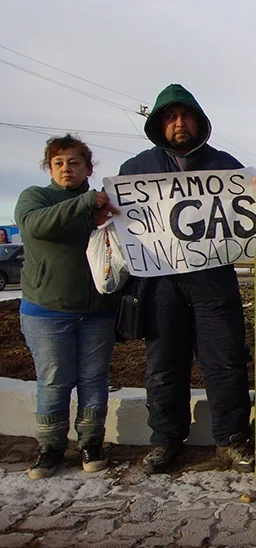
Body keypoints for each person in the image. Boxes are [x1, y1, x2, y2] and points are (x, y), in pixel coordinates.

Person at [119, 84, 256, 474]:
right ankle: (166, 440)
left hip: (213, 280)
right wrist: (106, 209)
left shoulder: (225, 165)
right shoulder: (136, 170)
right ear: (158, 124)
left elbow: (251, 216)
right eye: (171, 117)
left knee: (225, 361)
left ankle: (232, 437)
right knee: (163, 365)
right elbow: (123, 225)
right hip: (161, 285)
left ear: (199, 121)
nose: (179, 123)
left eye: (186, 115)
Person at [14, 134, 120, 479]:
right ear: (49, 168)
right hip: (47, 310)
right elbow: (35, 224)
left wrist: (107, 215)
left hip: (97, 311)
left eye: (74, 162)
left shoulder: (104, 202)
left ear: (88, 167)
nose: (66, 168)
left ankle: (91, 443)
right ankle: (51, 448)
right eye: (58, 163)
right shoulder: (36, 197)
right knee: (55, 380)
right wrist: (86, 203)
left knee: (94, 379)